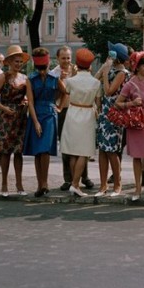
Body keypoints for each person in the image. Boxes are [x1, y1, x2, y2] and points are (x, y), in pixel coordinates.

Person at [116, 51, 144, 201]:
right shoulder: (130, 84)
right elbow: (118, 103)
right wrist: (132, 103)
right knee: (136, 156)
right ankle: (137, 188)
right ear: (137, 66)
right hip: (135, 122)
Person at [24, 47, 66, 197]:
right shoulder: (30, 79)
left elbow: (65, 92)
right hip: (36, 114)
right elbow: (30, 102)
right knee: (37, 151)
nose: (42, 71)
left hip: (49, 115)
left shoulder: (54, 78)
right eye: (39, 68)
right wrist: (35, 122)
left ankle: (45, 183)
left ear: (48, 65)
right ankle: (39, 184)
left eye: (44, 68)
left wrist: (59, 107)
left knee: (45, 150)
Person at [59, 48, 102, 197]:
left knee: (73, 152)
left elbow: (67, 92)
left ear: (77, 64)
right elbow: (98, 101)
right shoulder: (96, 83)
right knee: (84, 152)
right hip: (87, 114)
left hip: (72, 113)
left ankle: (73, 182)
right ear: (90, 66)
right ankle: (76, 184)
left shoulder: (71, 80)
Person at [52, 45, 94, 191]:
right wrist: (59, 83)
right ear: (57, 58)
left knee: (83, 144)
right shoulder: (54, 74)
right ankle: (68, 179)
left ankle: (85, 177)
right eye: (63, 58)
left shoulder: (79, 70)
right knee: (67, 145)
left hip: (81, 110)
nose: (66, 61)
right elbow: (54, 96)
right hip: (64, 110)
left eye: (68, 58)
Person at [0, 45, 30, 196]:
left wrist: (25, 101)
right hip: (7, 117)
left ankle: (19, 184)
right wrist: (3, 107)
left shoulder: (25, 78)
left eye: (20, 62)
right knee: (5, 152)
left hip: (20, 116)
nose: (18, 64)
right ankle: (4, 184)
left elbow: (28, 95)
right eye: (16, 61)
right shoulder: (3, 77)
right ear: (9, 61)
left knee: (18, 152)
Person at [95, 41, 130, 196]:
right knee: (102, 150)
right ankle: (103, 185)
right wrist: (104, 68)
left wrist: (105, 72)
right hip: (104, 112)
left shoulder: (122, 73)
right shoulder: (110, 70)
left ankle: (117, 183)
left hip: (115, 113)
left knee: (112, 151)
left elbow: (109, 91)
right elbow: (94, 81)